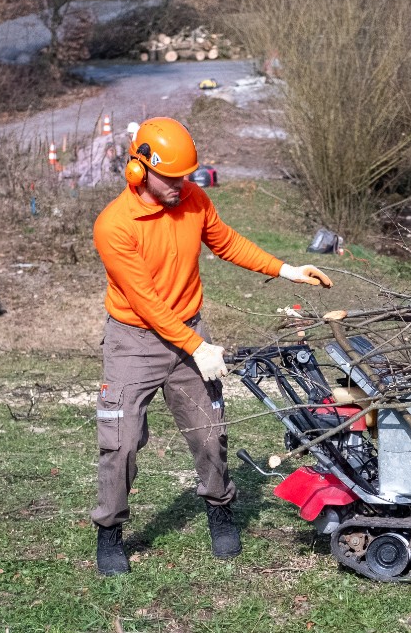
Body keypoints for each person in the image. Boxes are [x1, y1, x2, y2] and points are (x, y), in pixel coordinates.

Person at [90, 116, 331, 576]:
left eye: (186, 176)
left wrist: (286, 270)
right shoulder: (114, 226)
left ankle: (220, 510)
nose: (182, 185)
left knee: (209, 432)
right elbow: (147, 302)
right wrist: (198, 346)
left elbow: (227, 243)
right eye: (171, 177)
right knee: (119, 443)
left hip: (188, 334)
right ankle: (110, 533)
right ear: (138, 170)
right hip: (134, 341)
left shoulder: (193, 200)